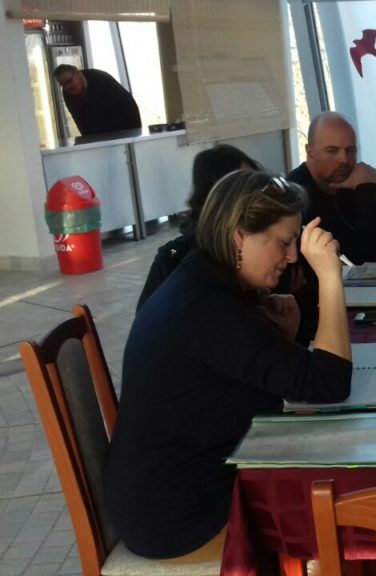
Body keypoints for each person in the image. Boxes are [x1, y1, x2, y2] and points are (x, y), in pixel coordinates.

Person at [105, 171, 353, 559]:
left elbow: (255, 379)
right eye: (284, 242)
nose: (292, 257)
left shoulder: (204, 279)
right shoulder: (208, 310)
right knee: (342, 523)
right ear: (240, 236)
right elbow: (329, 383)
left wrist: (283, 341)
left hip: (179, 487)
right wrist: (330, 277)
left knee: (329, 489)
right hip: (177, 516)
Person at [287, 111, 376, 264]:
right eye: (332, 151)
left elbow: (361, 217)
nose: (344, 159)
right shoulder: (299, 196)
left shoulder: (336, 180)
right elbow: (367, 259)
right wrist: (368, 188)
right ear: (310, 152)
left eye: (350, 150)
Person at [136, 144, 262, 309]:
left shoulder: (264, 244)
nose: (259, 198)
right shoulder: (174, 259)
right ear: (219, 197)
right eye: (248, 190)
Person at [52, 64, 142, 137]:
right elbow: (80, 122)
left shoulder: (100, 79)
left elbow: (127, 105)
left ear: (78, 73)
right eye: (63, 84)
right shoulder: (68, 93)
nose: (68, 86)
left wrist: (134, 134)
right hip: (98, 136)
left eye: (69, 81)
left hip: (125, 127)